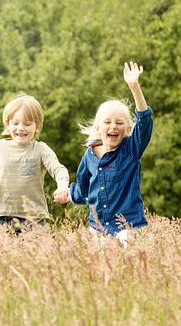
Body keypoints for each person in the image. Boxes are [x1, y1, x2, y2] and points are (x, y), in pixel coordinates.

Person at [61, 62, 153, 244]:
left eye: (119, 123)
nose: (113, 126)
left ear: (127, 129)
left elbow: (145, 122)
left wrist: (134, 86)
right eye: (107, 122)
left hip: (129, 227)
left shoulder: (131, 150)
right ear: (98, 127)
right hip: (98, 229)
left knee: (129, 267)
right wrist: (68, 194)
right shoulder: (89, 156)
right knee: (102, 270)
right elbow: (83, 189)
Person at [0, 95, 70, 233]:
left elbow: (58, 169)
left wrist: (62, 186)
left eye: (27, 124)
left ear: (37, 126)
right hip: (4, 218)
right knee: (5, 254)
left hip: (34, 220)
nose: (21, 128)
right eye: (15, 123)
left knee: (35, 255)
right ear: (7, 124)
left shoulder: (40, 149)